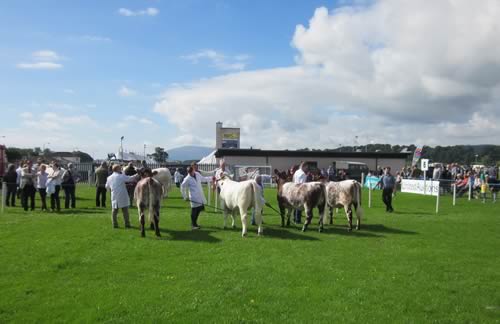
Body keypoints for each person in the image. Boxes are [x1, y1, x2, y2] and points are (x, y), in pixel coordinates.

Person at [105, 164, 136, 228]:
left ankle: (114, 224)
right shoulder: (120, 176)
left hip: (114, 195)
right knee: (125, 211)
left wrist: (111, 189)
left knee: (114, 211)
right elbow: (130, 178)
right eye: (120, 168)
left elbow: (107, 186)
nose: (121, 169)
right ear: (117, 169)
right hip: (122, 195)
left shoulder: (109, 177)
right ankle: (127, 224)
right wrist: (138, 174)